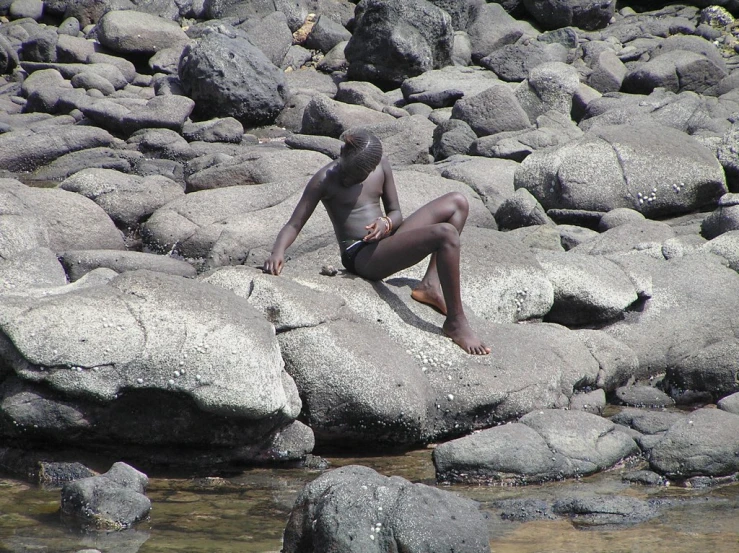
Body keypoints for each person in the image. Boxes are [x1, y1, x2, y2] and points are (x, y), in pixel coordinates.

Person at [263, 129, 490, 355]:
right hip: (361, 255)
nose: (349, 180)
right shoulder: (325, 179)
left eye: (358, 177)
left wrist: (385, 223)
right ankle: (456, 322)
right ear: (342, 154)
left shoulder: (381, 164)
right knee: (446, 234)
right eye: (347, 174)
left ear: (371, 169)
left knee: (458, 202)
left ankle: (430, 285)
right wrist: (277, 251)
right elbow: (294, 224)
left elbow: (396, 213)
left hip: (387, 239)